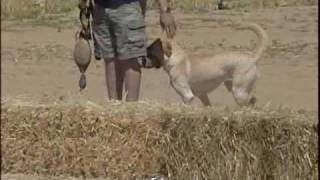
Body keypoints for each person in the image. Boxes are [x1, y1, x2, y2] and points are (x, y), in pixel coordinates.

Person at [78, 0, 176, 102]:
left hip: (127, 8)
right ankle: (114, 108)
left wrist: (164, 11)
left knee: (130, 60)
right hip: (100, 9)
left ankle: (131, 108)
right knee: (110, 61)